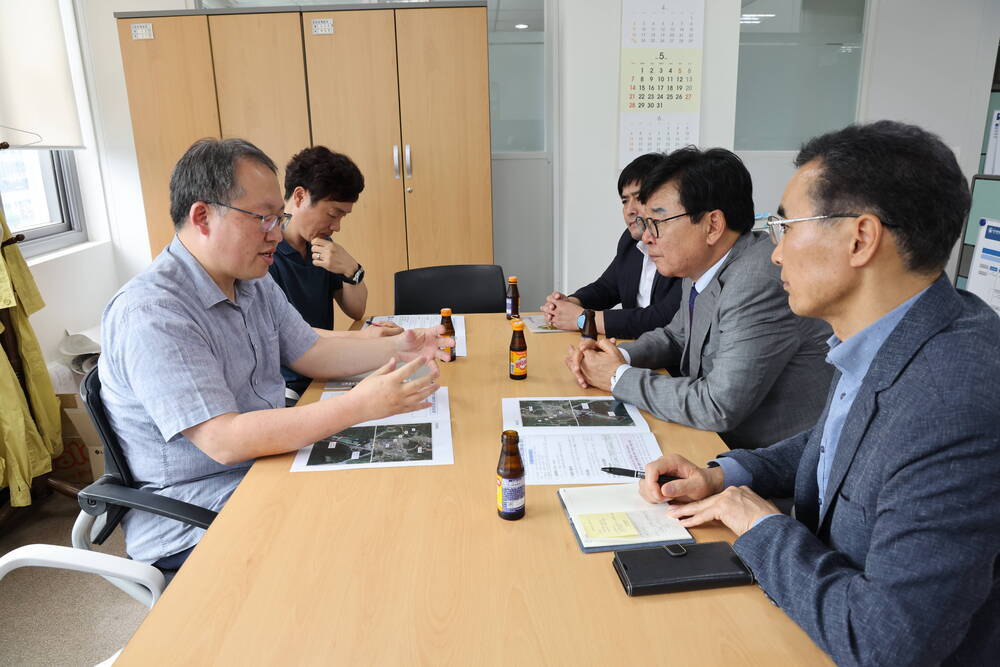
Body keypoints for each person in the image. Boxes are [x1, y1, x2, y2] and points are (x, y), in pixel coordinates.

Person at [640, 121, 1000, 664]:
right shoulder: (891, 332)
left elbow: (886, 643)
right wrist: (722, 475)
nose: (775, 253)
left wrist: (758, 523)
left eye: (785, 227)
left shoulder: (954, 397)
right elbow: (839, 440)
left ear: (860, 238)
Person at [99, 138, 452, 568]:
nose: (275, 233)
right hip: (202, 514)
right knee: (370, 538)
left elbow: (312, 352)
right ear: (202, 217)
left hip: (268, 467)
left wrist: (400, 348)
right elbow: (224, 441)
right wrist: (359, 405)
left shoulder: (251, 279)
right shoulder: (154, 313)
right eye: (263, 218)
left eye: (278, 217)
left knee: (400, 502)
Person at [566, 147, 832, 449]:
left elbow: (717, 405)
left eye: (657, 222)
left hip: (763, 463)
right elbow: (674, 336)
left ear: (712, 225)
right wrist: (617, 357)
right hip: (709, 440)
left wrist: (617, 377)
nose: (646, 237)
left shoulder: (756, 280)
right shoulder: (702, 266)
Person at [269, 146, 401, 396]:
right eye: (332, 214)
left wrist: (352, 269)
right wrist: (363, 340)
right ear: (299, 197)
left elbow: (356, 310)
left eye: (343, 216)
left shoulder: (322, 246)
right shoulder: (267, 255)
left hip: (327, 370)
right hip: (290, 386)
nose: (336, 226)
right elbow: (288, 337)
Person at [540, 153, 682, 339]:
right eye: (624, 201)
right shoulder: (630, 241)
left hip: (665, 360)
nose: (629, 210)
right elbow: (606, 288)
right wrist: (570, 303)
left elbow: (660, 318)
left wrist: (582, 319)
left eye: (638, 198)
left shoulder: (679, 245)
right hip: (634, 348)